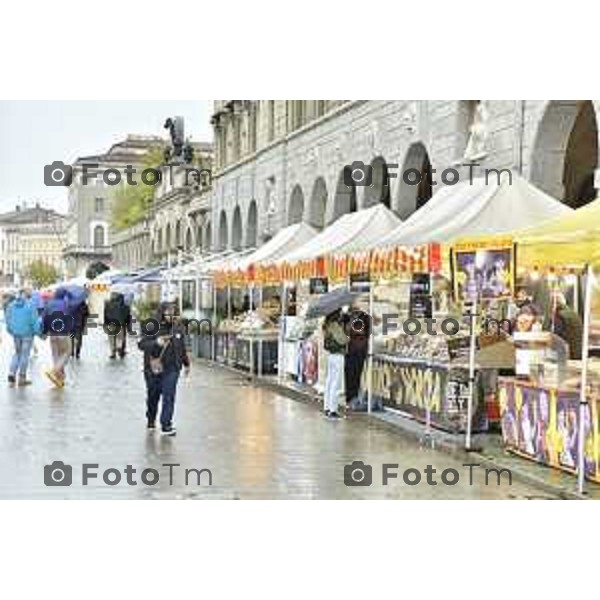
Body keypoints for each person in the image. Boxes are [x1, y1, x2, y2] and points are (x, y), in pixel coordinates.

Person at [138, 302, 190, 436]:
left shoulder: (178, 327)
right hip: (153, 368)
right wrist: (156, 342)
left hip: (172, 367)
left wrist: (186, 363)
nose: (171, 315)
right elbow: (141, 344)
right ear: (162, 312)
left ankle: (166, 425)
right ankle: (150, 418)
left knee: (169, 395)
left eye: (174, 312)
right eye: (168, 312)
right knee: (153, 396)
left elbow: (182, 346)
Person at [5, 289, 40, 387]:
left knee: (17, 353)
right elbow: (35, 322)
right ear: (27, 296)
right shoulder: (31, 306)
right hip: (27, 334)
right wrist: (38, 333)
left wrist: (11, 330)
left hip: (16, 334)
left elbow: (7, 319)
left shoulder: (11, 305)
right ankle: (22, 378)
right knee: (25, 355)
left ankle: (11, 374)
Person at [41, 287, 74, 388]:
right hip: (63, 332)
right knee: (67, 352)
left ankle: (59, 379)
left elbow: (44, 318)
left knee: (56, 355)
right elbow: (69, 317)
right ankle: (54, 371)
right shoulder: (66, 304)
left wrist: (44, 332)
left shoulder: (49, 304)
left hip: (52, 333)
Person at [322, 309, 348, 418]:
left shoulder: (327, 325)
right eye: (340, 312)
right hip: (337, 356)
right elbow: (342, 340)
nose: (341, 314)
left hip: (331, 356)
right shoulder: (334, 325)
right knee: (336, 384)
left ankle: (327, 407)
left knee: (329, 382)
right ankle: (333, 410)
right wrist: (348, 337)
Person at [343, 307, 370, 410]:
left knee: (353, 375)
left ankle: (351, 398)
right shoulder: (348, 318)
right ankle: (351, 398)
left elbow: (367, 332)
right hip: (354, 350)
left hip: (354, 350)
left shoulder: (363, 317)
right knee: (352, 375)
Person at [552, 291, 583, 359]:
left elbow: (557, 335)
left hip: (569, 353)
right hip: (578, 351)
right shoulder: (573, 313)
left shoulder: (559, 315)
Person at [104, 292, 131, 359]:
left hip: (110, 323)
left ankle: (112, 352)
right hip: (121, 324)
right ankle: (119, 347)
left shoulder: (108, 303)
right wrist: (128, 326)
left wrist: (105, 323)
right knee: (120, 337)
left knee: (111, 338)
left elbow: (105, 313)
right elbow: (128, 316)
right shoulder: (125, 305)